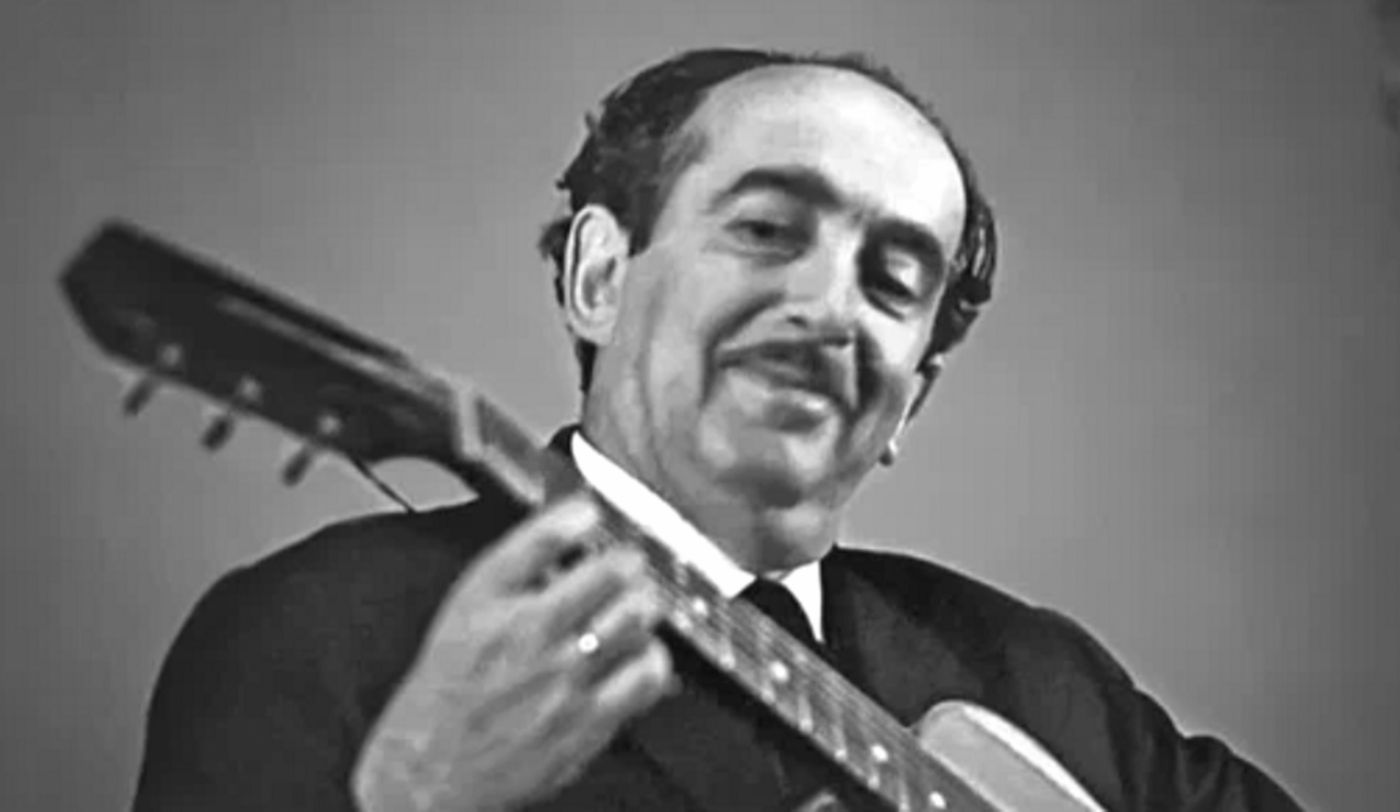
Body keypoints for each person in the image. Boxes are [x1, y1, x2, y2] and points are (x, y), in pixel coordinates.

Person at [131, 48, 1304, 811]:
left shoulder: (1039, 683)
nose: (828, 307)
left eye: (893, 280)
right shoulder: (319, 631)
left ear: (912, 396)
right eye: (765, 230)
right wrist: (416, 797)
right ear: (598, 275)